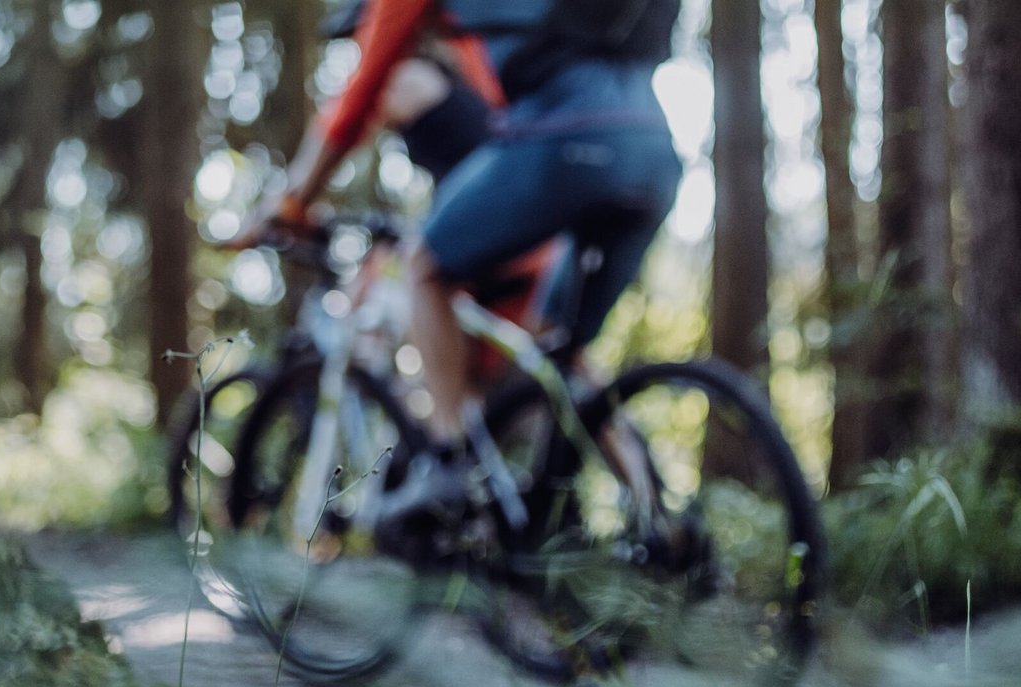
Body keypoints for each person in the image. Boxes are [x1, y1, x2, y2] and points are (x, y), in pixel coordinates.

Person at [232, 0, 684, 457]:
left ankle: (451, 466)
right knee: (563, 362)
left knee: (419, 276)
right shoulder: (486, 56)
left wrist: (292, 201)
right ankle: (654, 507)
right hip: (649, 152)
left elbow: (354, 106)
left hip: (534, 206)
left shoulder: (412, 74)